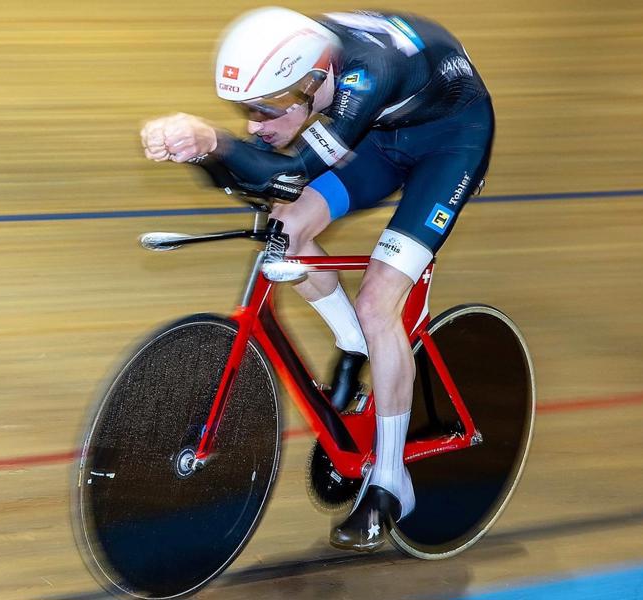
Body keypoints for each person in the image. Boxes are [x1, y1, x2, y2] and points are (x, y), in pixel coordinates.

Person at [139, 7, 493, 551]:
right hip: (381, 135)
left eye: (266, 108)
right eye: (244, 110)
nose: (255, 124)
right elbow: (260, 184)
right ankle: (356, 344)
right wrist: (197, 150)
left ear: (312, 82)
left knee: (380, 304)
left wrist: (213, 140)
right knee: (289, 228)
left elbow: (284, 172)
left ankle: (391, 482)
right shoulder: (307, 58)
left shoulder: (364, 76)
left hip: (451, 142)